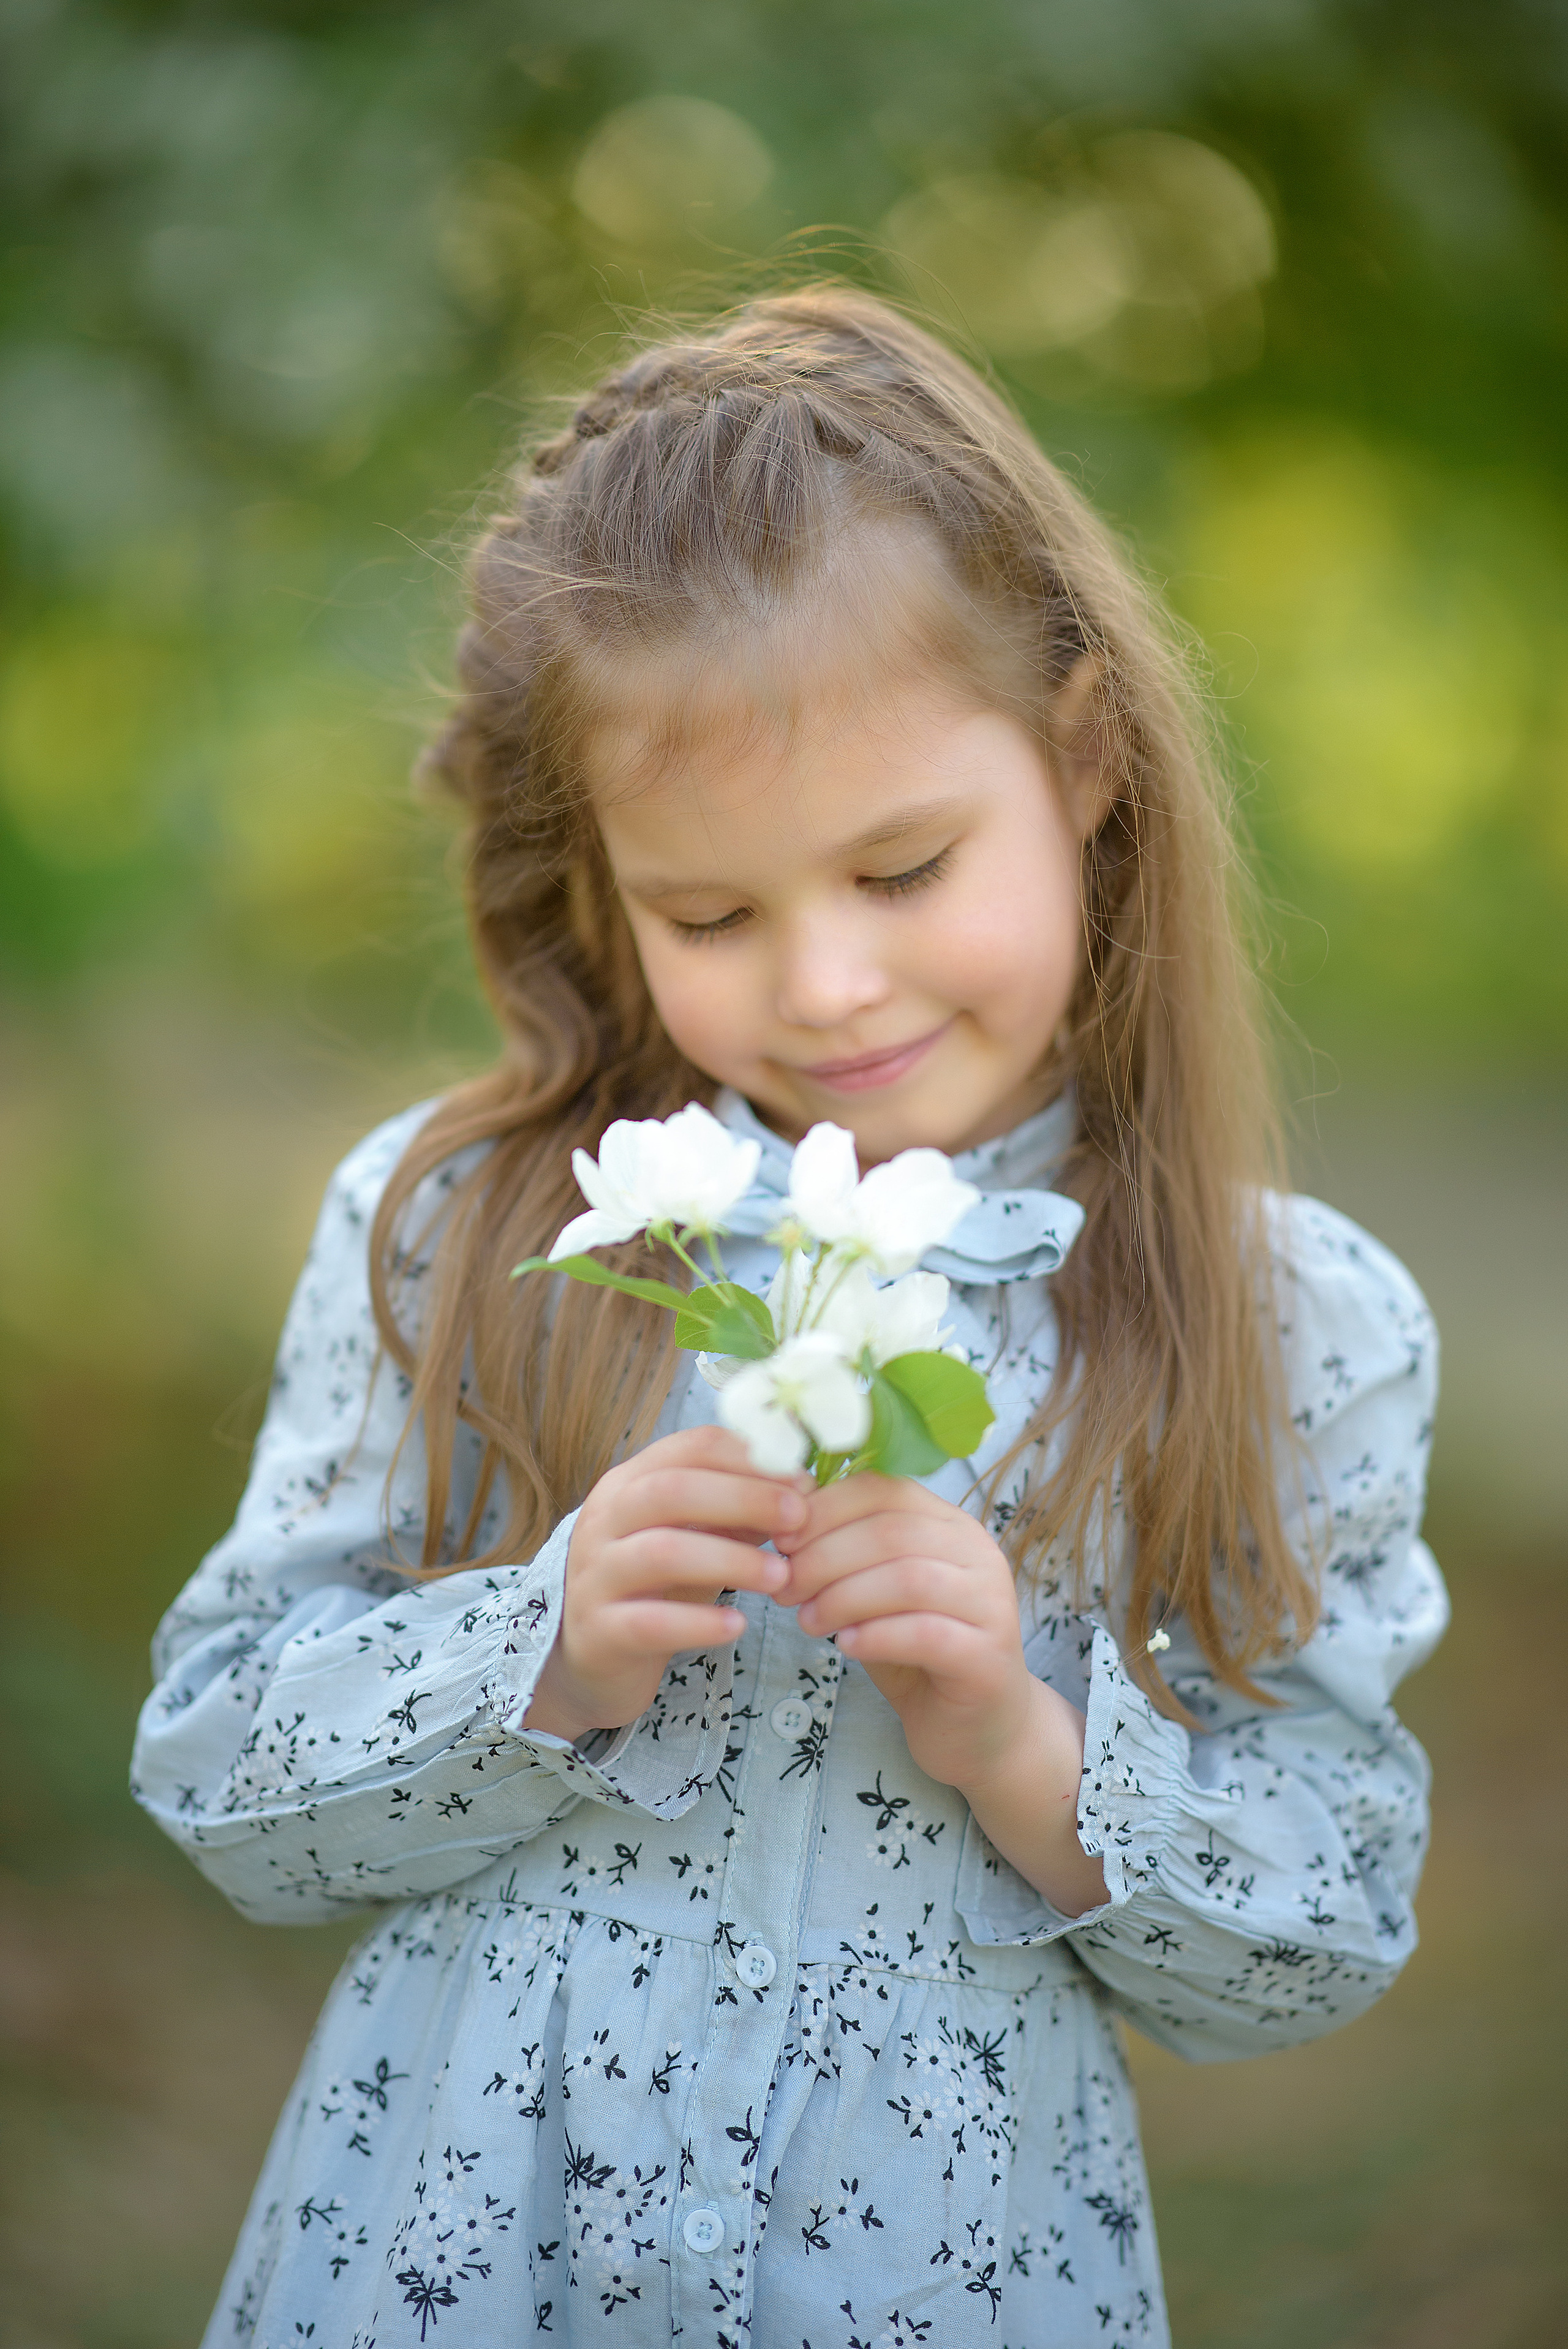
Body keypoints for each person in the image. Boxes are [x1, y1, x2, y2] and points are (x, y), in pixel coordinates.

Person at [131, 287, 1447, 2349]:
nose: (828, 986)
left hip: (937, 2267)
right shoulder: (482, 1228)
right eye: (713, 914)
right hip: (472, 2251)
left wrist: (1026, 1740)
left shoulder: (1295, 1324)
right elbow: (221, 1769)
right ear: (609, 888)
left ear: (1086, 758)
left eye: (905, 867)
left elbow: (1323, 1924)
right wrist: (536, 1641)